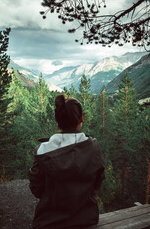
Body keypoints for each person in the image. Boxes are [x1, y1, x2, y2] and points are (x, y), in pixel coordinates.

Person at [28, 95, 105, 229]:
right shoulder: (93, 148)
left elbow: (36, 189)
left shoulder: (43, 152)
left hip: (48, 222)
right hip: (86, 219)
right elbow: (97, 183)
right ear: (81, 119)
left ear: (58, 120)